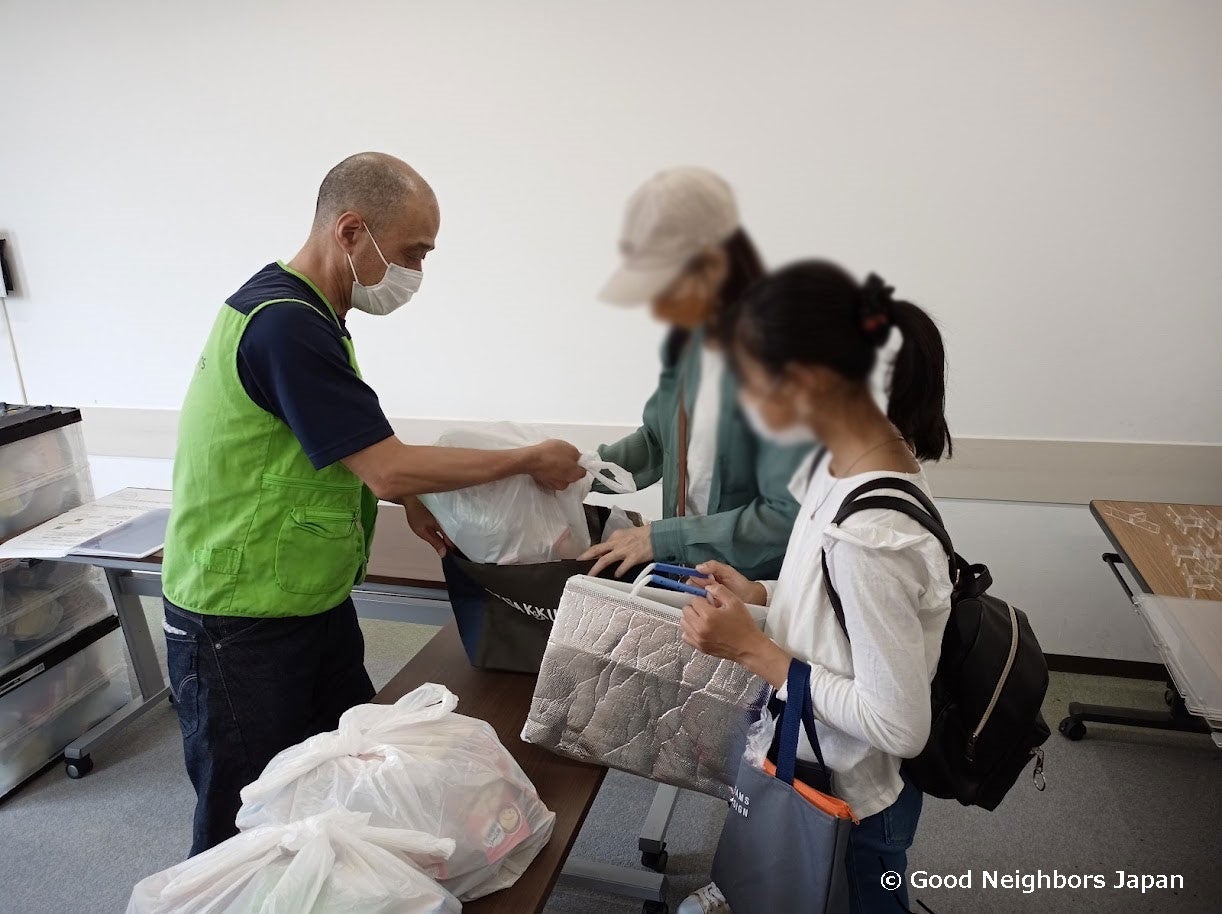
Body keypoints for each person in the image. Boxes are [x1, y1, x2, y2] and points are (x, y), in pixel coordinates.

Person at [160, 152, 584, 856]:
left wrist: (413, 498)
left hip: (306, 600)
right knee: (247, 816)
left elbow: (337, 442)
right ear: (352, 231)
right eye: (414, 251)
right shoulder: (285, 324)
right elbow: (385, 467)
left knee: (345, 772)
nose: (417, 271)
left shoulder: (309, 313)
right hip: (237, 620)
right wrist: (527, 458)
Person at [675, 261, 955, 914]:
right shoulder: (846, 463)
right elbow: (835, 598)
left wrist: (753, 650)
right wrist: (763, 596)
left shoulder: (871, 532)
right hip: (816, 758)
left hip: (850, 799)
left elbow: (898, 725)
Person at [580, 167, 809, 580]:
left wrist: (664, 537)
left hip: (760, 591)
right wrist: (579, 475)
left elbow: (788, 515)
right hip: (691, 577)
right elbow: (656, 441)